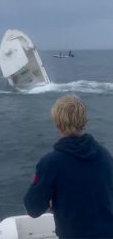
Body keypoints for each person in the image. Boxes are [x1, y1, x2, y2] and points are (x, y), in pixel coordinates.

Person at [24, 95, 113, 238]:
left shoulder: (50, 163)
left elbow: (33, 208)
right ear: (85, 121)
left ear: (57, 123)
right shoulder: (105, 155)